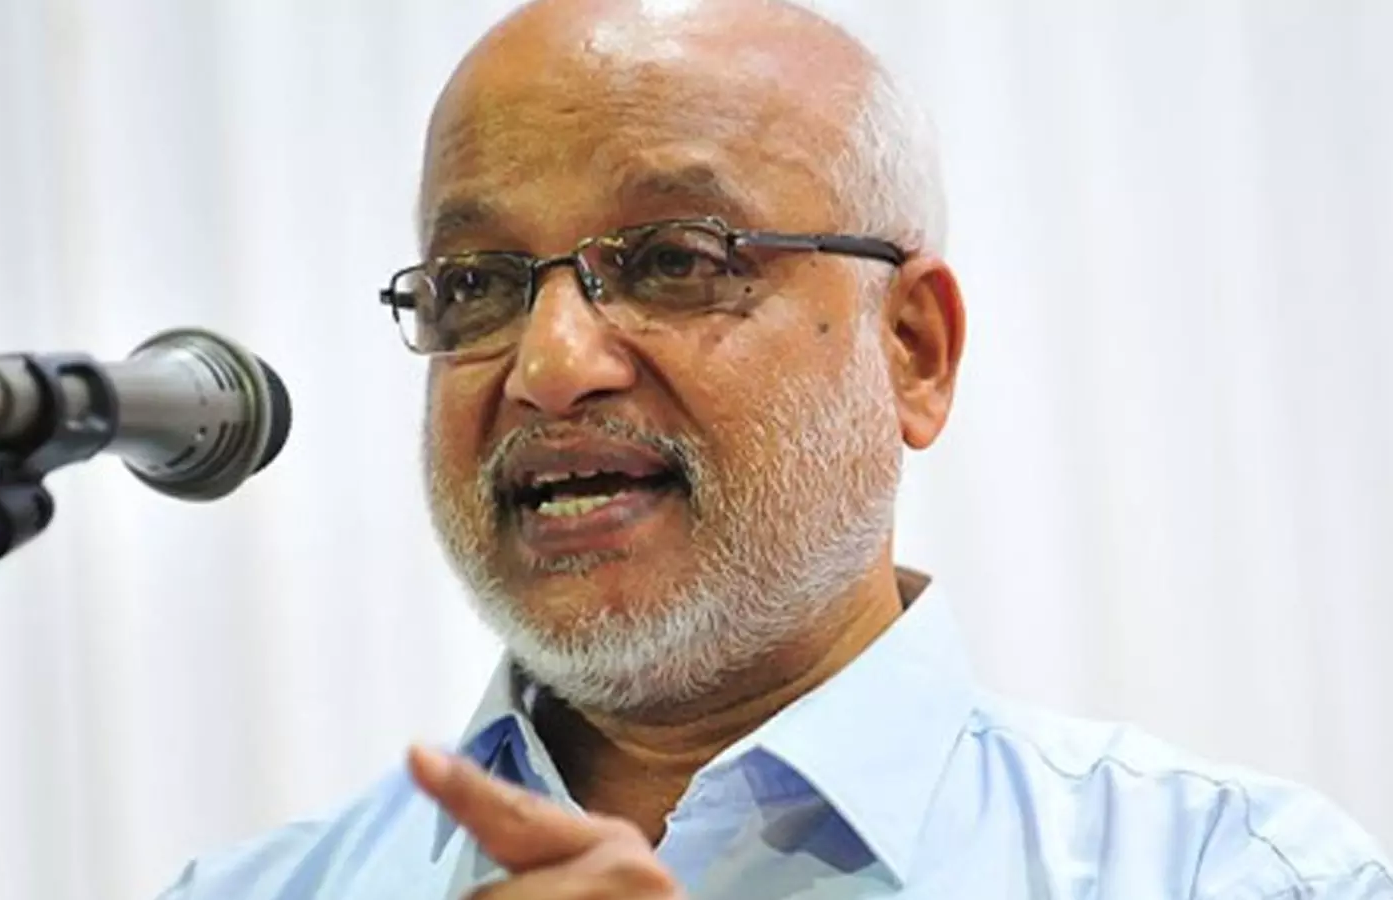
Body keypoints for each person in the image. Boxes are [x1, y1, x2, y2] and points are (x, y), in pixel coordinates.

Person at [160, 0, 1391, 897]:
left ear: (913, 350)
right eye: (475, 283)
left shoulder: (1236, 876)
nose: (551, 364)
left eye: (674, 261)